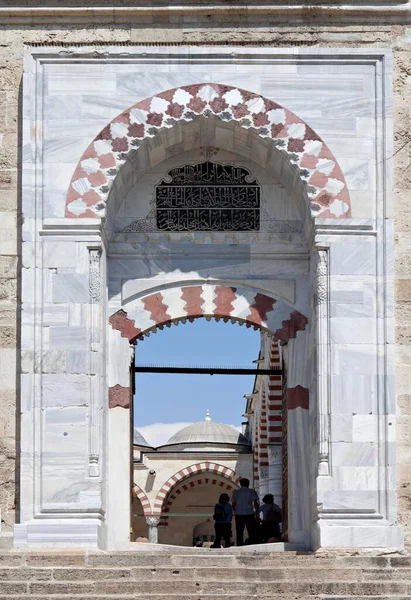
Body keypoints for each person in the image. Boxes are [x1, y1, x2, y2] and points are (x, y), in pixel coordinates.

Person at [231, 478, 259, 546]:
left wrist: (235, 511)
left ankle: (239, 544)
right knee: (251, 530)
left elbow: (233, 504)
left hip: (239, 514)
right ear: (248, 484)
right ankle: (252, 543)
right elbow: (255, 503)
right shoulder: (252, 492)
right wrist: (257, 513)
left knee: (239, 531)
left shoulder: (236, 492)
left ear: (240, 484)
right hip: (249, 513)